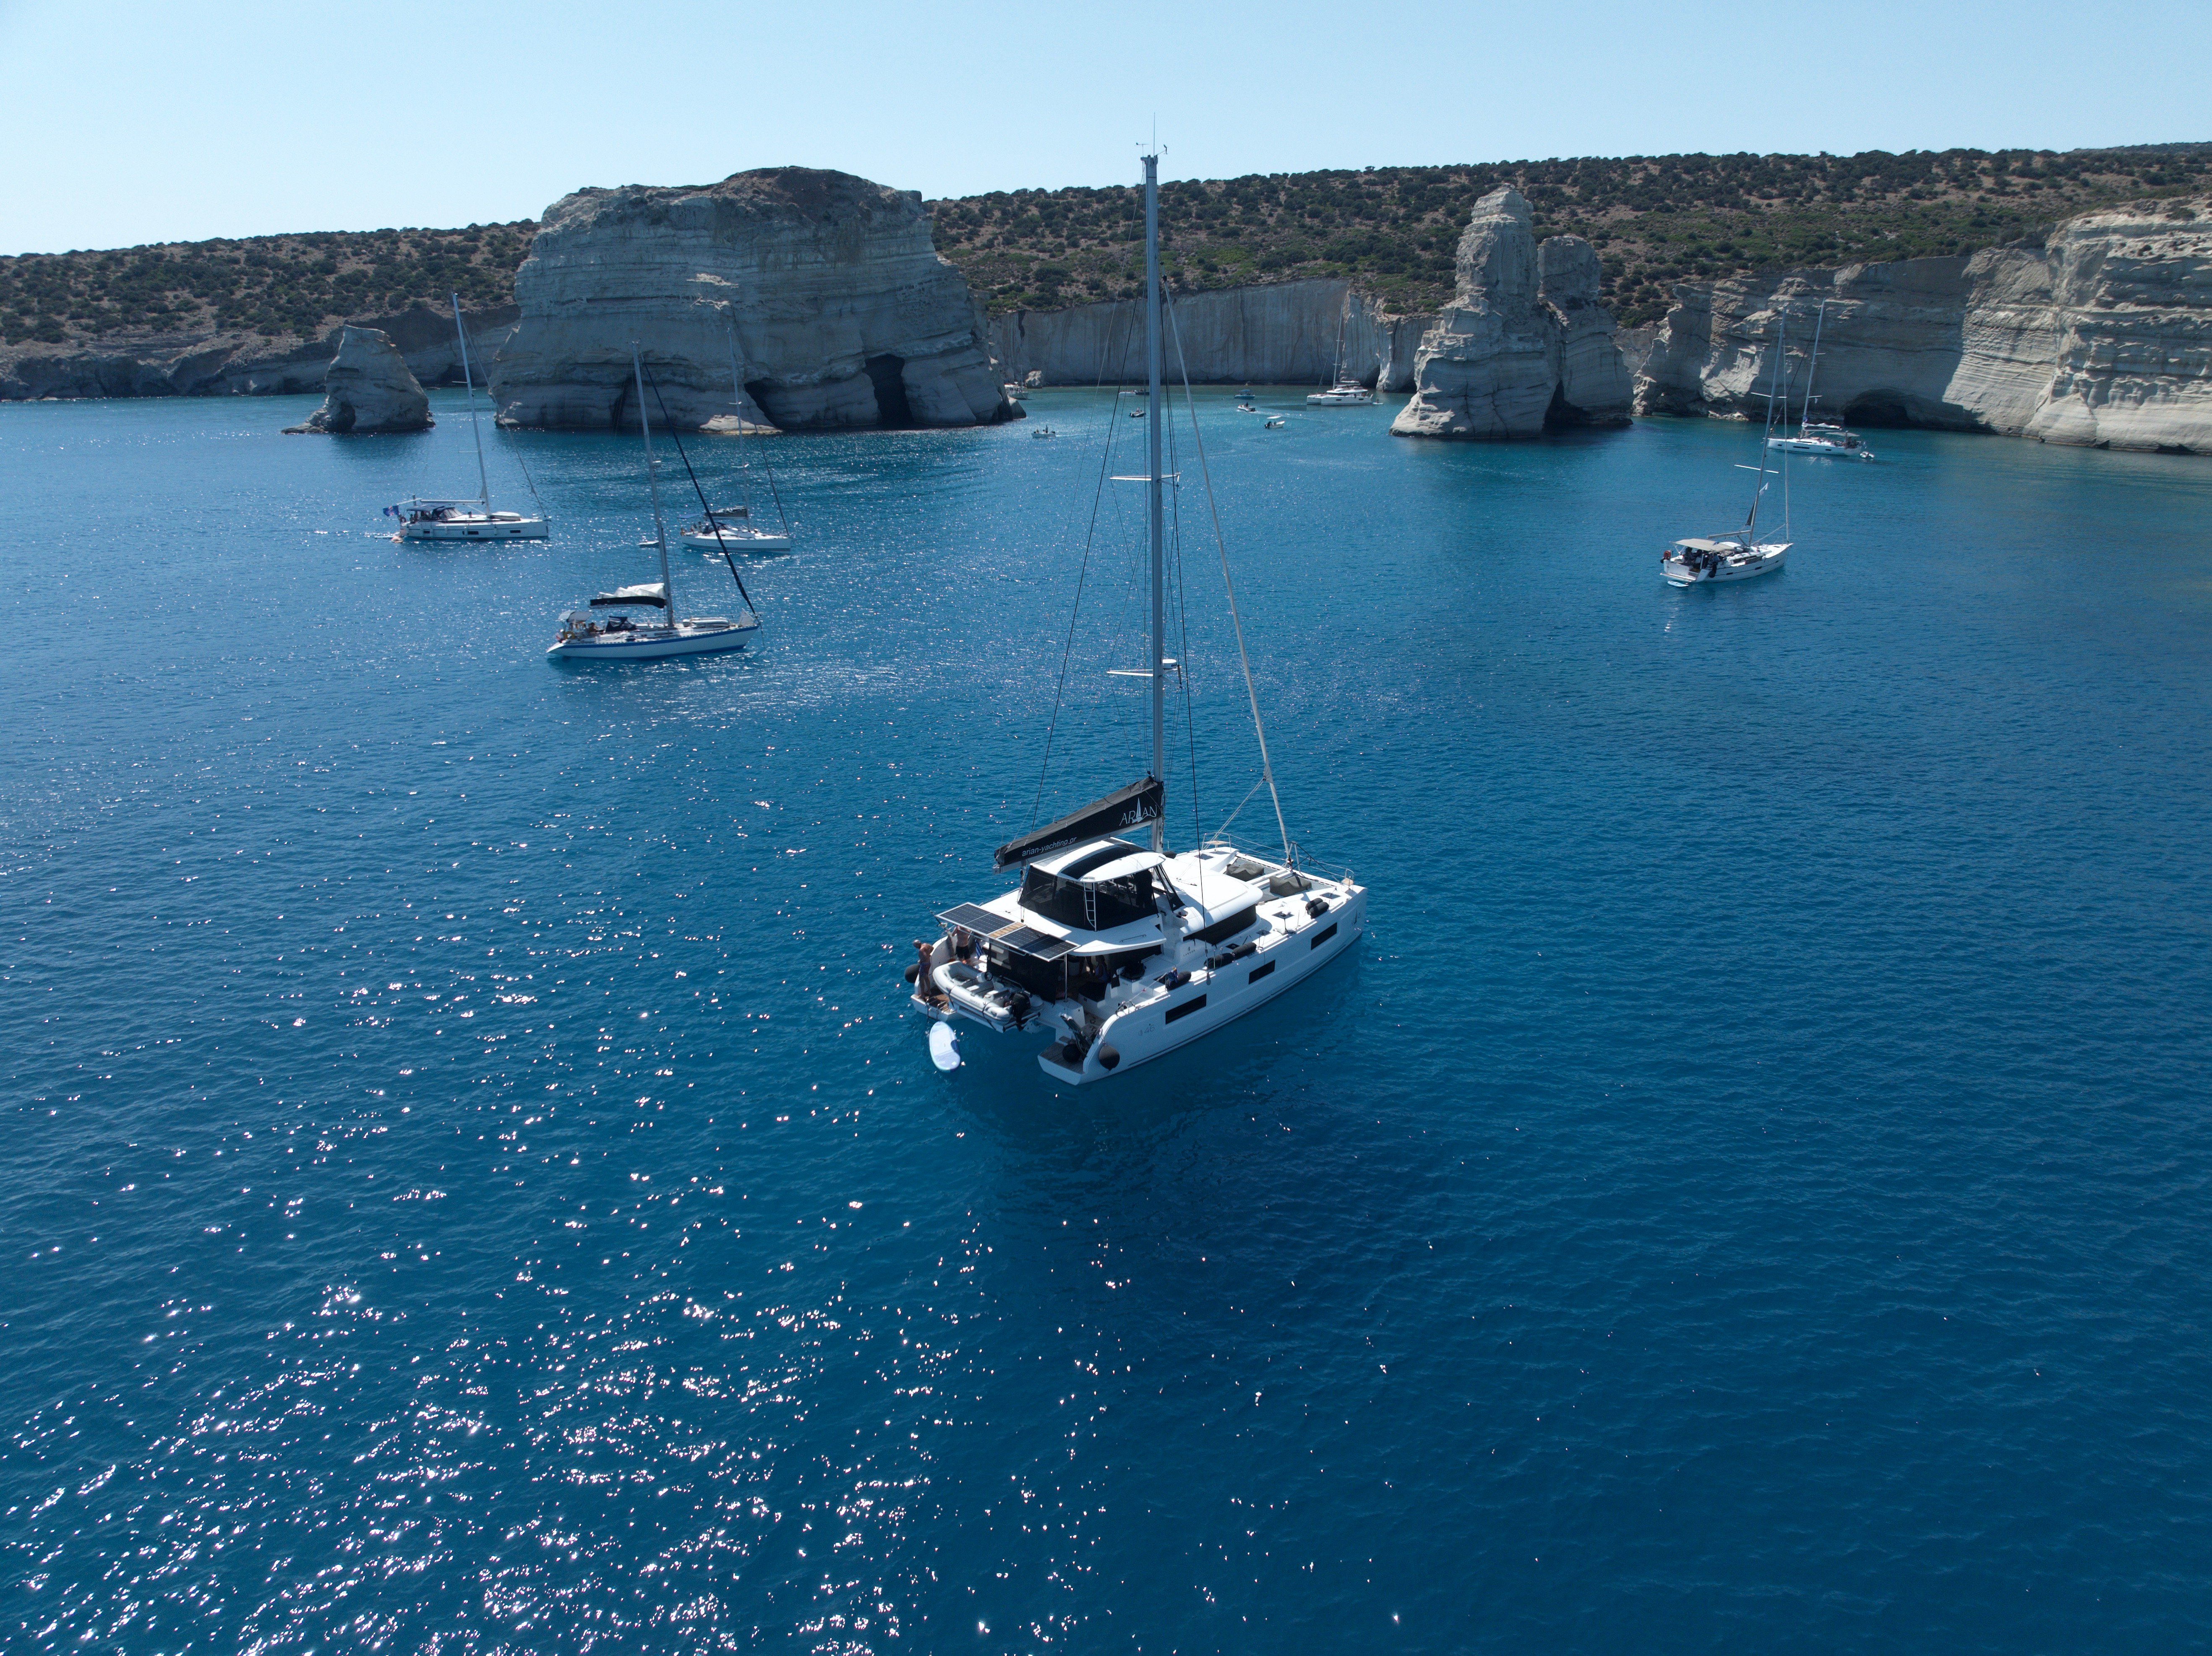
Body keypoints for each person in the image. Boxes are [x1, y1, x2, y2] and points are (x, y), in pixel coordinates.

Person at [913, 938, 947, 1008]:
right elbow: (932, 948)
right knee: (926, 978)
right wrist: (929, 955)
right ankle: (929, 991)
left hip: (924, 965)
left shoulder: (921, 951)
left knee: (921, 979)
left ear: (917, 945)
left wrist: (921, 961)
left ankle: (922, 995)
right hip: (928, 963)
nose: (915, 947)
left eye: (915, 946)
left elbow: (924, 956)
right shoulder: (925, 945)